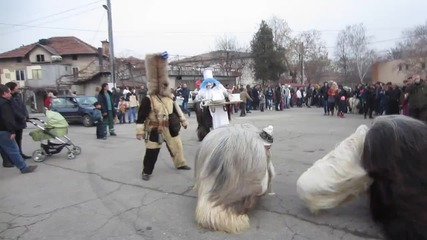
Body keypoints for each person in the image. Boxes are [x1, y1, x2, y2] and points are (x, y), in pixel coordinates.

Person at [136, 52, 191, 181]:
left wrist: (183, 120)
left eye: (167, 85)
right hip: (155, 128)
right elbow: (140, 116)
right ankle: (146, 171)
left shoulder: (169, 98)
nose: (166, 87)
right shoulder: (148, 99)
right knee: (152, 151)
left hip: (170, 127)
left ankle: (180, 163)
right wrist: (140, 131)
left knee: (177, 146)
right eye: (164, 85)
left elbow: (176, 110)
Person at [0, 84, 37, 174]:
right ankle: (23, 167)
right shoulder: (4, 103)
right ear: (4, 93)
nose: (10, 94)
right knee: (13, 150)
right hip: (4, 130)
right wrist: (12, 131)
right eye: (9, 92)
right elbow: (7, 118)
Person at [5, 82, 31, 160]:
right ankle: (15, 156)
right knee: (14, 141)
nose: (18, 88)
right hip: (15, 122)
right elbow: (14, 110)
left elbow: (22, 107)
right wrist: (22, 117)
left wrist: (26, 115)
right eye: (16, 87)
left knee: (19, 139)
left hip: (20, 121)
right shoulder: (9, 98)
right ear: (12, 88)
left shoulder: (18, 96)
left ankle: (20, 153)